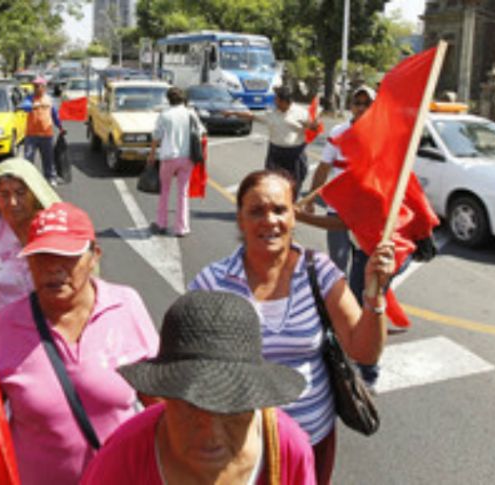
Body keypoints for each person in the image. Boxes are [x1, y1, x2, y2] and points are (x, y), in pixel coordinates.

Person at [189, 170, 395, 485]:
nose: (269, 220)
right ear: (240, 219)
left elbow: (364, 352)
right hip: (240, 449)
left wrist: (374, 294)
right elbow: (183, 370)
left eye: (279, 209)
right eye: (256, 211)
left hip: (313, 443)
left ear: (294, 216)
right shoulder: (212, 283)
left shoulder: (319, 271)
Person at [0, 202, 160, 485]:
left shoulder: (126, 306)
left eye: (66, 256)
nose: (53, 268)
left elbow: (159, 406)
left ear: (94, 256)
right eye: (41, 257)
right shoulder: (5, 326)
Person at [80, 290, 316, 485]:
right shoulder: (125, 456)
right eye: (191, 407)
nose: (211, 433)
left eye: (231, 408)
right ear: (166, 397)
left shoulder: (287, 449)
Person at [0, 157, 62, 335]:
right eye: (4, 195)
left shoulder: (54, 228)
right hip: (2, 339)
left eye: (20, 193)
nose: (13, 202)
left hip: (48, 337)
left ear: (34, 193)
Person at [299, 85, 377, 276]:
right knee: (338, 265)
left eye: (367, 103)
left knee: (363, 269)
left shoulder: (381, 133)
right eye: (357, 103)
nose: (361, 108)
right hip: (338, 210)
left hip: (367, 214)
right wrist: (310, 200)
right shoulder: (338, 132)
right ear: (351, 106)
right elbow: (323, 168)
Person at [223, 86, 320, 194]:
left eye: (276, 99)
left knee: (296, 181)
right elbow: (251, 115)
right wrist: (233, 113)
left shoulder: (301, 113)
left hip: (295, 154)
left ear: (284, 101)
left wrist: (314, 124)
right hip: (275, 153)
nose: (274, 101)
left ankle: (292, 201)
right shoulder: (271, 113)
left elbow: (313, 127)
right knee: (272, 181)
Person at [146, 86, 206, 237]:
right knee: (183, 192)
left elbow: (156, 136)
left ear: (168, 99)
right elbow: (201, 132)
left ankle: (161, 223)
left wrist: (152, 154)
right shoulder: (191, 113)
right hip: (187, 158)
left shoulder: (165, 115)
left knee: (164, 191)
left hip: (168, 157)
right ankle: (182, 228)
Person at [19, 76, 66, 187]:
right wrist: (32, 105)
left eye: (38, 86)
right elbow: (24, 106)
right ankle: (28, 180)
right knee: (28, 158)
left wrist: (60, 127)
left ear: (44, 87)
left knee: (48, 158)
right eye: (34, 86)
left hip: (47, 135)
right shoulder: (30, 98)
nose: (35, 88)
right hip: (31, 135)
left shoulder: (50, 100)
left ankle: (50, 177)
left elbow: (55, 115)